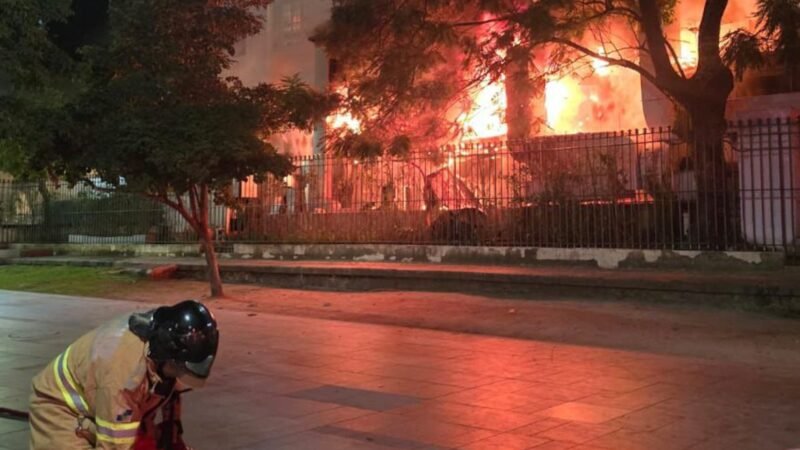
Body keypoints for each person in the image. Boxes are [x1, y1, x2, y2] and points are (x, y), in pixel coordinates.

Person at [28, 300, 219, 450]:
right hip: (59, 407)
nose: (181, 376)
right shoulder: (123, 376)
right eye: (180, 369)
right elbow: (114, 445)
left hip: (99, 402)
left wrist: (172, 437)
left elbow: (165, 390)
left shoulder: (162, 336)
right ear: (165, 355)